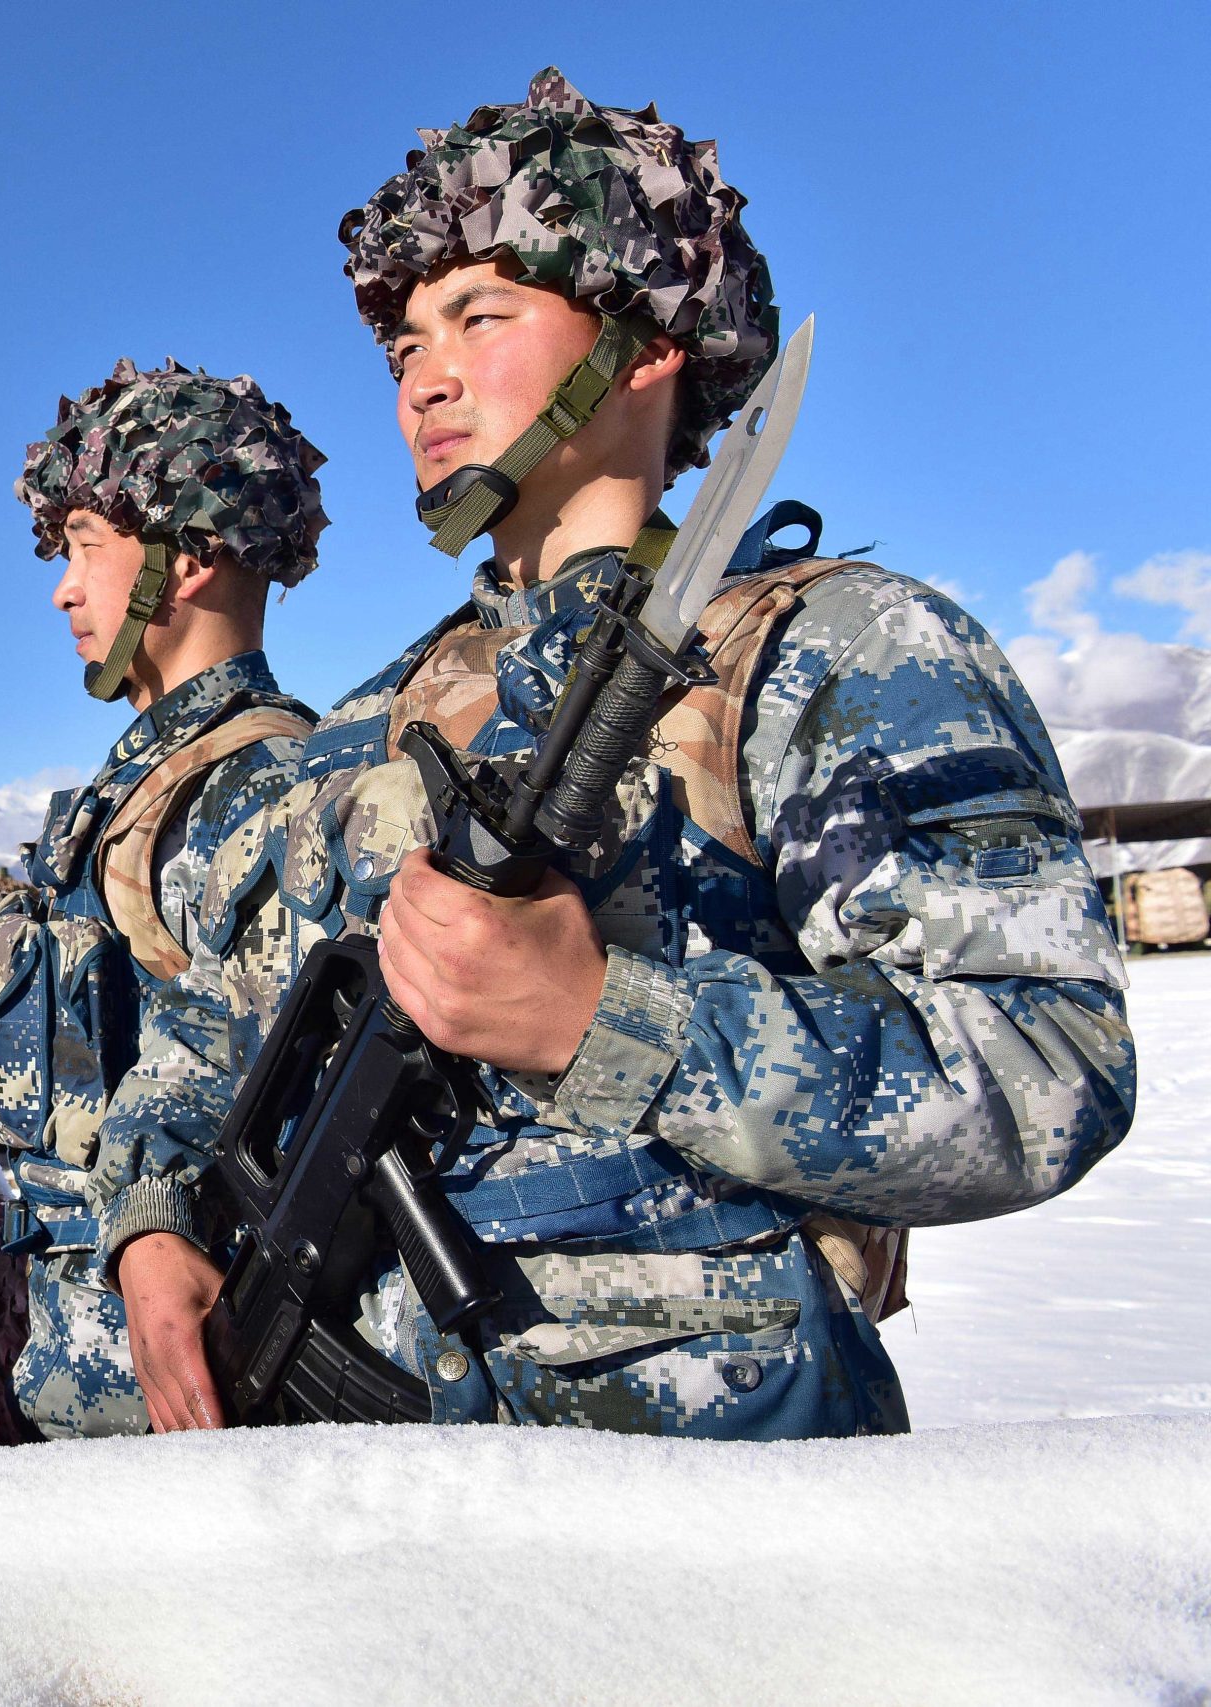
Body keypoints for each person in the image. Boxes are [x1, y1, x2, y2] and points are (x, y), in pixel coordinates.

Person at [93, 69, 1136, 1438]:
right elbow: (204, 1032)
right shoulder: (356, 729)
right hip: (349, 1476)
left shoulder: (836, 650)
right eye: (405, 344)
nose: (426, 377)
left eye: (481, 314)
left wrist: (608, 1022)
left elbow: (1046, 1057)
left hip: (704, 1494)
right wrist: (154, 1228)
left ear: (642, 345)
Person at [0, 358, 327, 1438]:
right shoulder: (133, 793)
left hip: (198, 1400)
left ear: (193, 556)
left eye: (84, 546)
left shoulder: (257, 789)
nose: (63, 589)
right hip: (105, 1385)